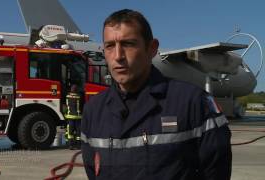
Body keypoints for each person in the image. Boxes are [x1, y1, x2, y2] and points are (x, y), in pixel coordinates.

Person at [81, 9, 232, 180]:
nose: (118, 56)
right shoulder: (93, 111)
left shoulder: (193, 103)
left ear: (152, 49)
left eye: (128, 44)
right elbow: (92, 170)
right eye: (110, 46)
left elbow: (216, 171)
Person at [65, 84, 82, 150]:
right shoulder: (79, 96)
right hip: (77, 117)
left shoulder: (67, 96)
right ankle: (78, 145)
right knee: (78, 132)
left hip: (70, 117)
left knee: (70, 132)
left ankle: (70, 145)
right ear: (76, 90)